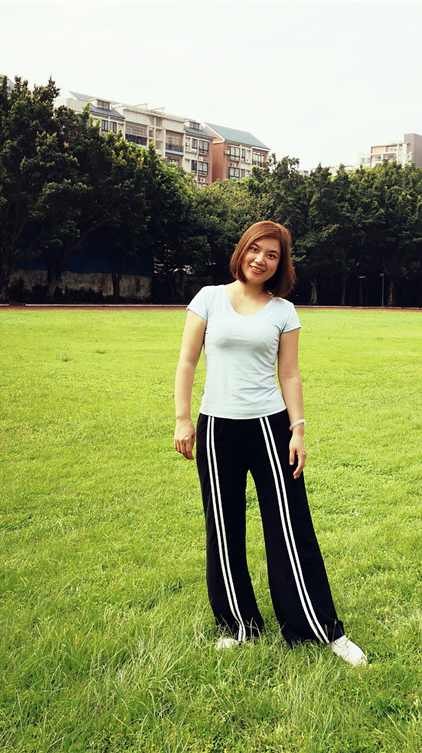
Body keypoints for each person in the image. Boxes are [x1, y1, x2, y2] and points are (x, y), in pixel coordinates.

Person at [173, 220, 367, 666]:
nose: (261, 259)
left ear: (281, 263)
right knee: (223, 527)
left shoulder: (284, 311)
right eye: (255, 249)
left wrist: (298, 429)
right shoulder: (208, 298)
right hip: (217, 427)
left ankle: (319, 628)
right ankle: (239, 626)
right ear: (242, 250)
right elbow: (186, 361)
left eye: (272, 254)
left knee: (290, 526)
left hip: (269, 427)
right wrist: (183, 420)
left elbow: (290, 373)